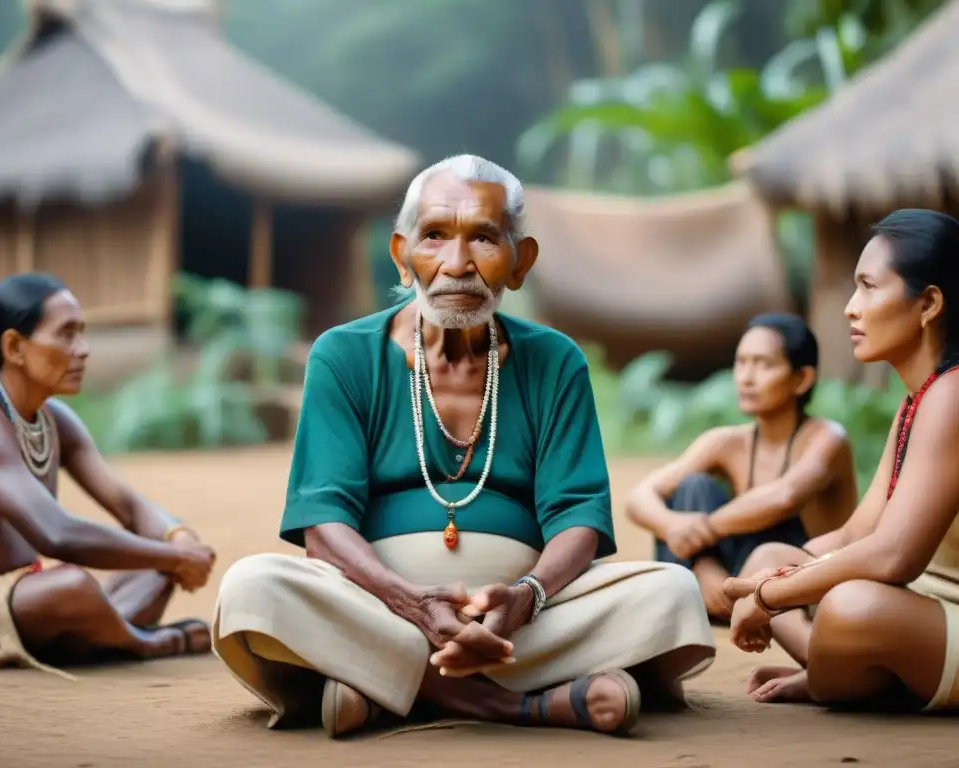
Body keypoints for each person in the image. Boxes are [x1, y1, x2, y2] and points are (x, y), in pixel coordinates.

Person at [212, 154, 715, 739]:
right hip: (379, 605)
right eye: (434, 237)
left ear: (519, 261)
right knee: (253, 589)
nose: (456, 265)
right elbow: (323, 523)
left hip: (523, 619)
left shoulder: (555, 361)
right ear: (402, 257)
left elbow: (579, 516)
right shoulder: (343, 355)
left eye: (483, 238)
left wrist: (526, 595)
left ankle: (382, 685)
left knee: (672, 593)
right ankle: (515, 704)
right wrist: (410, 603)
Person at [723, 209, 959, 713]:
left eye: (869, 287)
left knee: (850, 607)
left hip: (937, 610)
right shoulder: (919, 399)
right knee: (771, 556)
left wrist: (768, 597)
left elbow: (895, 557)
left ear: (929, 303)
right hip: (925, 604)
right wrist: (777, 576)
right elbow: (857, 536)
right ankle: (840, 667)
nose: (851, 308)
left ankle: (829, 673)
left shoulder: (954, 396)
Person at [0, 273, 216, 675]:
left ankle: (97, 636)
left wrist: (176, 537)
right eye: (66, 335)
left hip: (25, 596)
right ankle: (140, 642)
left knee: (153, 563)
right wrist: (175, 557)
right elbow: (56, 534)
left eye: (81, 334)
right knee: (72, 588)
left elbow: (128, 504)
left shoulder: (55, 420)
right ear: (14, 346)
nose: (82, 350)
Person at [626, 314, 857, 621]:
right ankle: (697, 600)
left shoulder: (827, 439)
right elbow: (640, 496)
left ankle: (706, 599)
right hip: (730, 580)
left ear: (802, 379)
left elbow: (784, 498)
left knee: (703, 508)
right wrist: (680, 534)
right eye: (741, 362)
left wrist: (703, 530)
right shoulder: (726, 441)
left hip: (797, 588)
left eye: (763, 364)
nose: (746, 377)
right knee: (693, 486)